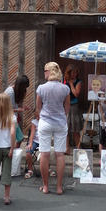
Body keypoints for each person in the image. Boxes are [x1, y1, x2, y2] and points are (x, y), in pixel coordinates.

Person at [36, 62, 70, 195]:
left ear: (50, 72)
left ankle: (45, 186)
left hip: (45, 122)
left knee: (44, 154)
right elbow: (67, 107)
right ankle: (59, 187)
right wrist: (62, 116)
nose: (44, 73)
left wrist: (42, 116)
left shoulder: (41, 88)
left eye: (45, 70)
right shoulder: (65, 88)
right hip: (60, 122)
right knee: (59, 154)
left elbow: (38, 107)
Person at [5, 75, 31, 148]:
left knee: (19, 138)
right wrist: (17, 110)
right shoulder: (10, 92)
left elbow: (13, 104)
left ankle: (14, 152)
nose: (25, 89)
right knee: (18, 138)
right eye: (24, 87)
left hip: (13, 118)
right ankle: (13, 153)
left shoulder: (14, 91)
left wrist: (21, 106)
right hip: (9, 119)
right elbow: (5, 109)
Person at [63, 65, 83, 154]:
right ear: (69, 73)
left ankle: (78, 147)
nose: (75, 74)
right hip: (65, 106)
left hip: (74, 106)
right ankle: (67, 149)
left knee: (76, 129)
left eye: (76, 73)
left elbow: (76, 93)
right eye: (73, 72)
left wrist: (71, 84)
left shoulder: (78, 82)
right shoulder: (64, 80)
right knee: (65, 128)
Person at [24, 113, 39, 179]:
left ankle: (47, 168)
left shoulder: (46, 121)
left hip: (44, 141)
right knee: (28, 152)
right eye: (36, 116)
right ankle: (30, 169)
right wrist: (30, 143)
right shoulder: (34, 122)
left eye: (39, 116)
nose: (38, 117)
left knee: (47, 152)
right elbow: (32, 133)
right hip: (35, 141)